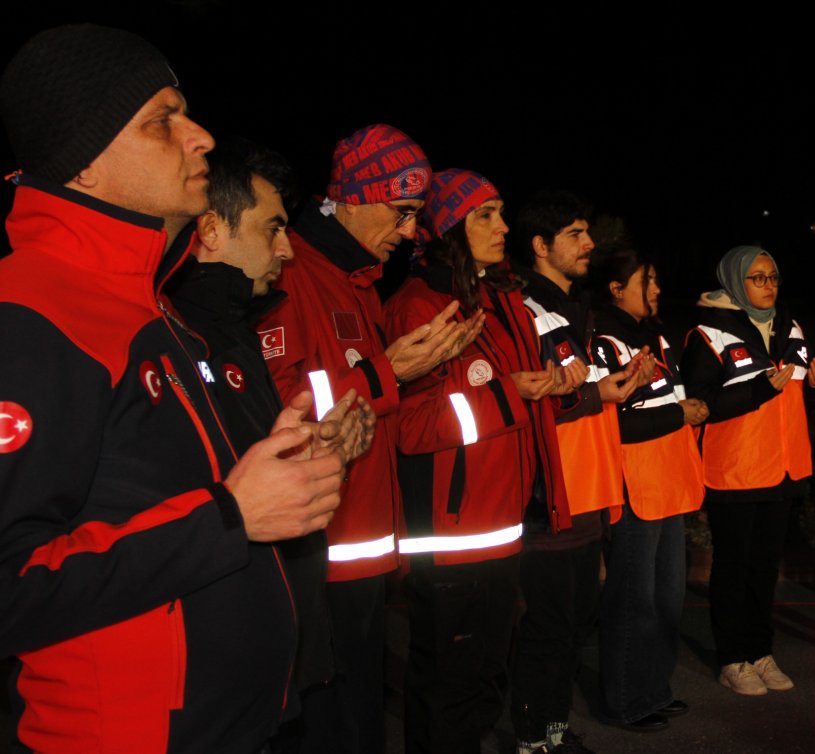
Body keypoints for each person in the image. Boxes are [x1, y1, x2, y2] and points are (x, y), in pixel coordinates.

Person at [0, 24, 349, 752]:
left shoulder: (154, 306)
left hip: (231, 723)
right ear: (84, 161)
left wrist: (276, 467)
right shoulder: (33, 312)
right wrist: (230, 515)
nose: (200, 135)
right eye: (163, 120)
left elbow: (148, 495)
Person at [258, 125, 477, 752]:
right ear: (354, 197)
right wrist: (390, 371)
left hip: (362, 546)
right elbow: (285, 408)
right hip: (321, 551)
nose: (411, 232)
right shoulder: (293, 271)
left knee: (359, 714)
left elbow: (367, 402)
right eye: (403, 211)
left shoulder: (355, 279)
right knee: (328, 723)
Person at [166, 136, 375, 706]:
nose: (287, 249)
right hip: (227, 670)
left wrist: (321, 451)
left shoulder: (236, 328)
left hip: (280, 640)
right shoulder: (177, 336)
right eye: (272, 228)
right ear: (211, 230)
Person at [384, 169, 575, 754]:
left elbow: (517, 398)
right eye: (484, 214)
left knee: (485, 682)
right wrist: (513, 394)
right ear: (446, 228)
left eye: (500, 211)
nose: (503, 225)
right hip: (453, 537)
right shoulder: (419, 303)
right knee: (449, 689)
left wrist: (556, 386)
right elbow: (412, 427)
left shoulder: (501, 299)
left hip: (503, 525)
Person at [511, 190, 653, 749]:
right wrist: (595, 394)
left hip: (590, 489)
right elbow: (528, 400)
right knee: (548, 626)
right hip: (550, 497)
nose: (589, 243)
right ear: (540, 246)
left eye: (586, 232)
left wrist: (611, 390)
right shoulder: (522, 310)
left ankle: (553, 728)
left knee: (572, 625)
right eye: (574, 233)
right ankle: (532, 736)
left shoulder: (578, 311)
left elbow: (582, 395)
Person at [680, 245, 815, 696]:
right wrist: (758, 391)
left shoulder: (791, 325)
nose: (768, 286)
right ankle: (732, 658)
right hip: (736, 470)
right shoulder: (706, 334)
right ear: (734, 281)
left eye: (773, 277)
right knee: (733, 568)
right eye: (758, 278)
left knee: (765, 569)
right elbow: (701, 406)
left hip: (784, 468)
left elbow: (803, 399)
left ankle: (760, 650)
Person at [591, 246, 706, 728]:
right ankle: (625, 700)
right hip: (636, 488)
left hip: (671, 483)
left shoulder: (655, 338)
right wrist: (680, 413)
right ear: (617, 289)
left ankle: (654, 690)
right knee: (632, 603)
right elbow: (613, 423)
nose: (657, 289)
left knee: (665, 601)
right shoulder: (603, 342)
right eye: (647, 280)